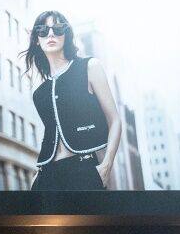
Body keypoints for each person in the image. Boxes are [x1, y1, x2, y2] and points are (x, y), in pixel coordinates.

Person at [23, 10, 124, 192]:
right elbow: (51, 131)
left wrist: (107, 165)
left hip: (83, 170)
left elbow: (115, 120)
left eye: (58, 28)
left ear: (66, 35)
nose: (51, 34)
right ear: (37, 39)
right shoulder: (40, 89)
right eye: (43, 30)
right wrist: (37, 177)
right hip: (46, 175)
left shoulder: (89, 67)